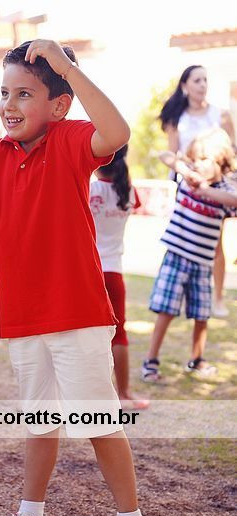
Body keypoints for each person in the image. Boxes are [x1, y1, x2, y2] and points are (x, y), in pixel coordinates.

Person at [0, 39, 156, 516]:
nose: (9, 104)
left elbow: (116, 133)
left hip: (78, 312)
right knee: (39, 421)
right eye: (4, 92)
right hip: (23, 316)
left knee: (98, 422)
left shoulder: (71, 139)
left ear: (59, 105)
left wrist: (68, 69)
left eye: (24, 94)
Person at [142, 128, 237, 382]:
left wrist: (205, 190)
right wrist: (185, 170)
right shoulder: (185, 178)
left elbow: (234, 199)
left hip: (203, 264)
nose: (199, 164)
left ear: (221, 162)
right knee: (166, 310)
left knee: (201, 314)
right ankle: (151, 360)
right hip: (176, 256)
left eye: (205, 160)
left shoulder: (224, 191)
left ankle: (197, 359)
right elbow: (165, 155)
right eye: (196, 159)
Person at [159, 65, 236, 317]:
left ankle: (218, 297)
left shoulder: (221, 115)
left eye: (205, 80)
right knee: (184, 240)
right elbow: (171, 153)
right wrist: (187, 172)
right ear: (185, 86)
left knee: (215, 242)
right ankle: (182, 293)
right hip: (187, 186)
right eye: (197, 80)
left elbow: (231, 152)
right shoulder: (176, 119)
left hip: (215, 188)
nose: (202, 84)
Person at [90, 146, 149, 411]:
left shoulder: (91, 190)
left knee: (85, 334)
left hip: (89, 270)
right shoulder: (128, 192)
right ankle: (124, 393)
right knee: (118, 334)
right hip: (113, 270)